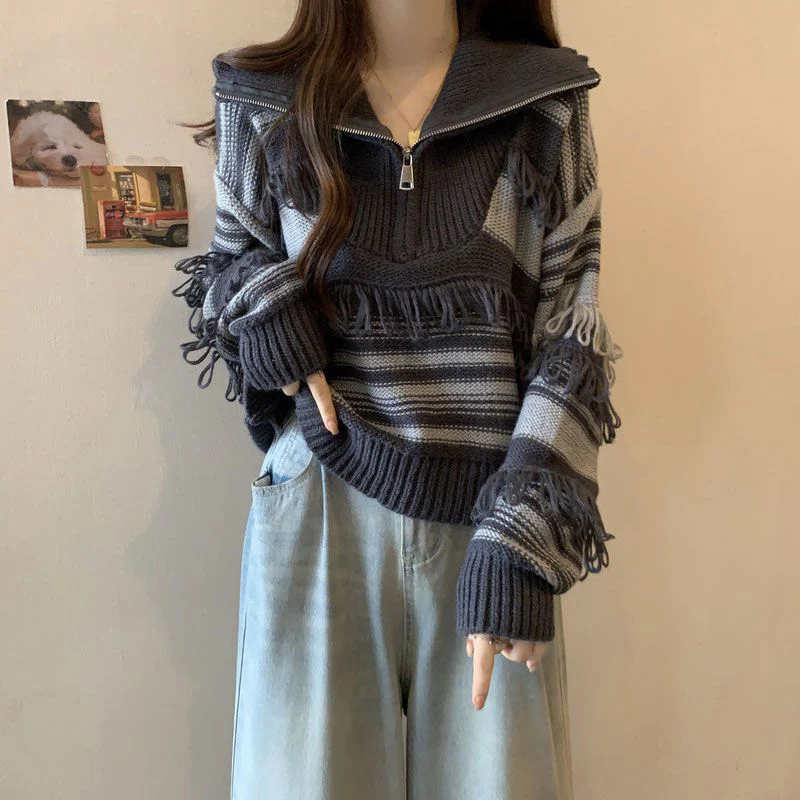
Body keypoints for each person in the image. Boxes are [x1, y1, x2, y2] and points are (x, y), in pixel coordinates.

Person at [172, 0, 624, 796]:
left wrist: (525, 539)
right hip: (319, 503)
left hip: (494, 517)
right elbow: (227, 270)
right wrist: (269, 309)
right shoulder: (263, 97)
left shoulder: (546, 102)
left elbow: (571, 329)